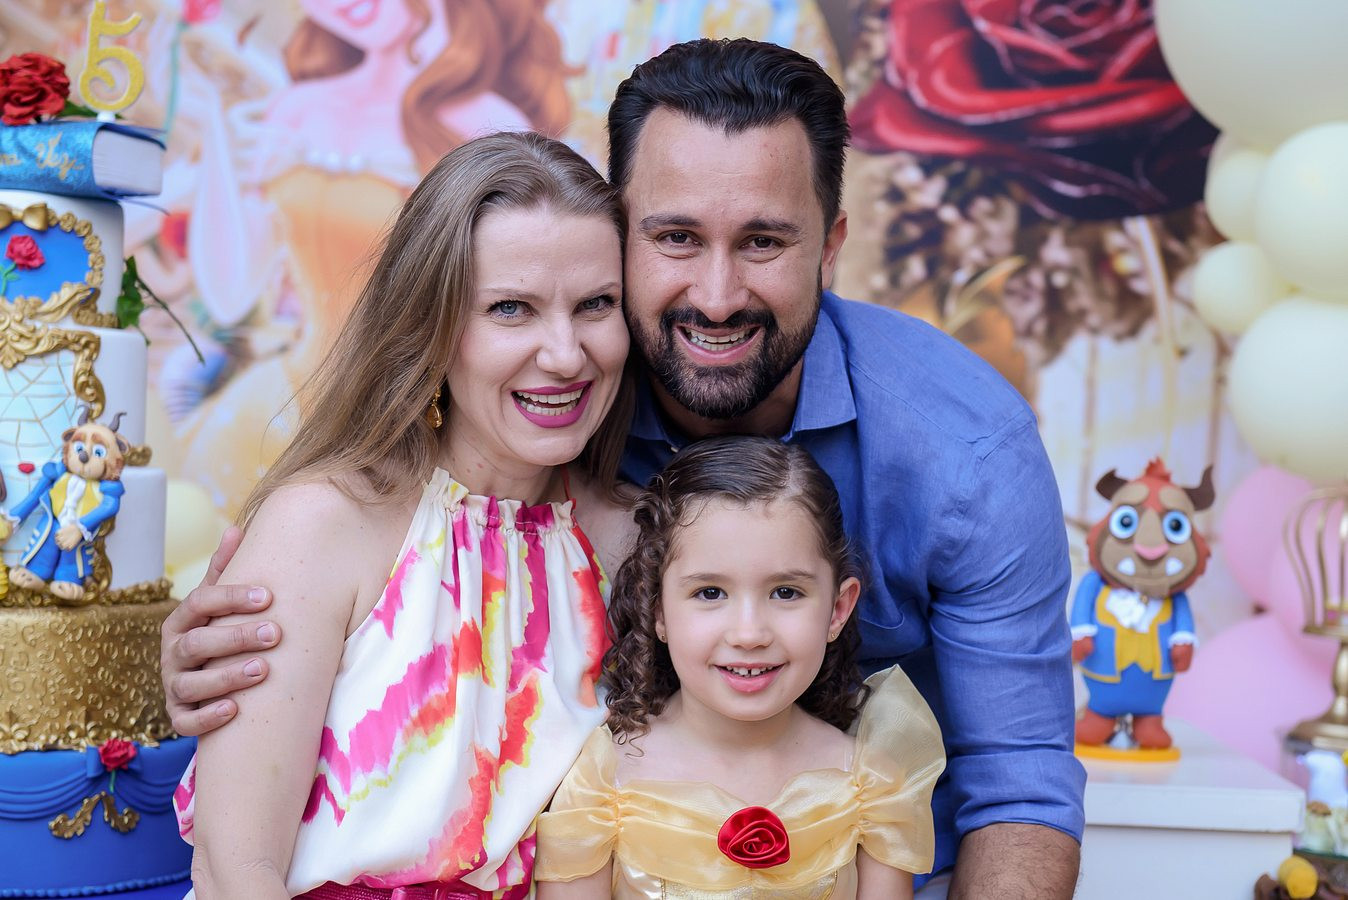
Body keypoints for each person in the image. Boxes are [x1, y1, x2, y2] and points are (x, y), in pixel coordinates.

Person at [161, 38, 1086, 899]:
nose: (715, 298)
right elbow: (245, 847)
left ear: (831, 246)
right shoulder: (485, 445)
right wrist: (221, 664)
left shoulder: (956, 457)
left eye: (763, 241)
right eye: (676, 237)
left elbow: (1021, 787)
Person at [174, 131, 634, 897]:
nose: (565, 354)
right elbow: (237, 867)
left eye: (596, 305)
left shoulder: (629, 543)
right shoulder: (321, 526)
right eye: (511, 308)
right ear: (432, 325)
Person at [171, 0, 571, 519]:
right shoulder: (298, 108)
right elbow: (230, 294)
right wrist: (216, 128)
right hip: (280, 406)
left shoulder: (488, 124)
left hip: (415, 430)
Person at [534, 436, 945, 899]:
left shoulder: (872, 785)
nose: (749, 634)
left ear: (837, 609)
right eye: (710, 593)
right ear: (658, 610)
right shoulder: (602, 783)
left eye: (785, 592)